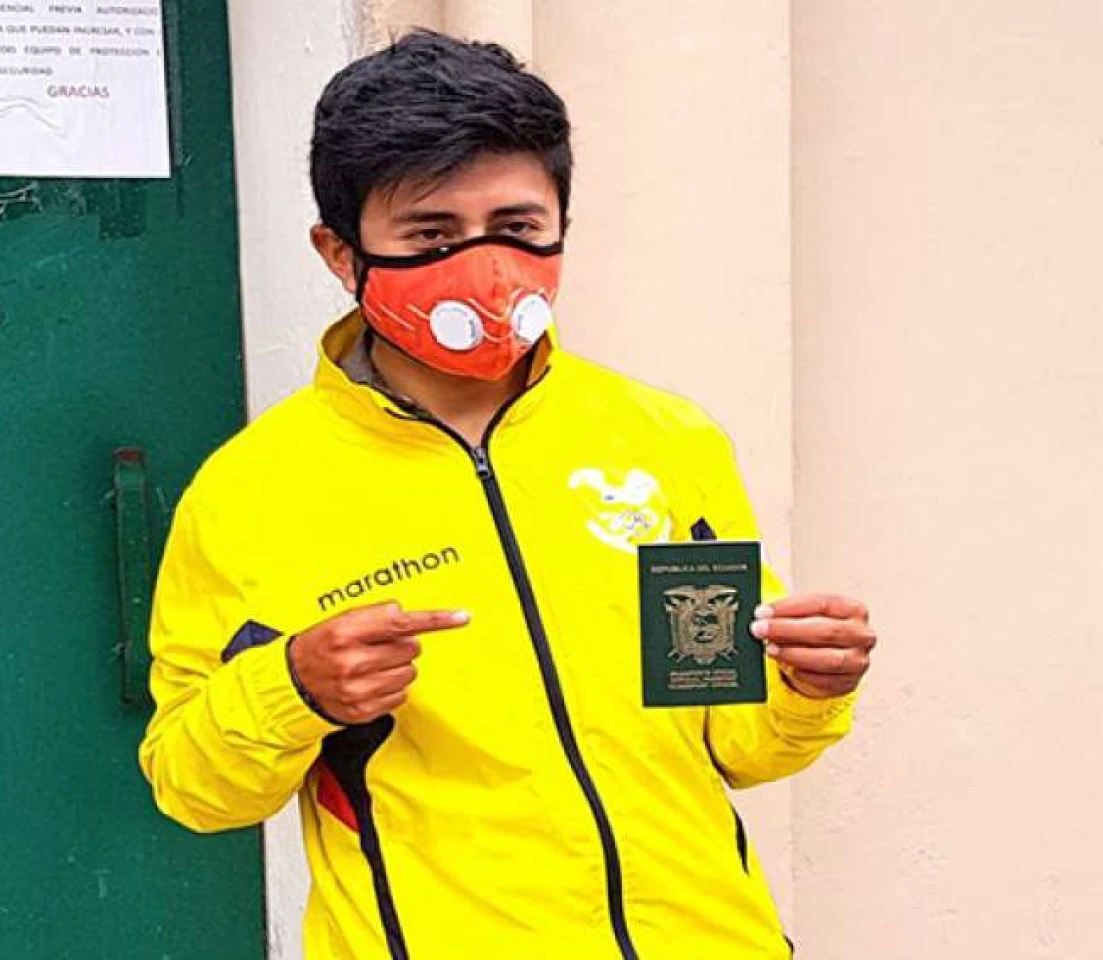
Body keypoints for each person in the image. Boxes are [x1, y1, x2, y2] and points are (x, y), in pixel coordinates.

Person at [140, 30, 876, 960]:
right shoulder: (250, 493)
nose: (485, 266)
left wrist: (808, 689)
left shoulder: (663, 442)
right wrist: (292, 689)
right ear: (340, 253)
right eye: (431, 235)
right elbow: (195, 788)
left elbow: (740, 745)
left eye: (518, 228)